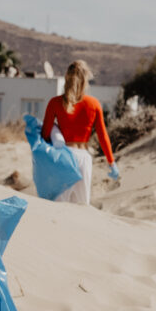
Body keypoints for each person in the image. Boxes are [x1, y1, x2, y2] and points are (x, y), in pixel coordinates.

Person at [40, 60, 119, 204]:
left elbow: (45, 134)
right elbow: (102, 136)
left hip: (63, 157)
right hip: (83, 158)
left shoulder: (55, 103)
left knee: (58, 206)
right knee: (82, 207)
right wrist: (111, 163)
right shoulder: (94, 104)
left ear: (67, 78)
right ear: (86, 80)